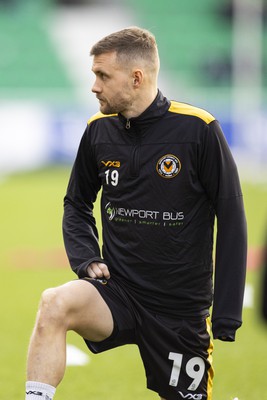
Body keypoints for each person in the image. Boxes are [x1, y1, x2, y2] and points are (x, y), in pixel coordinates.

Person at [25, 27, 247, 400]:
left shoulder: (198, 129)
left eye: (102, 75)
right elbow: (76, 203)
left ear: (136, 77)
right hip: (118, 294)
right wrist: (86, 257)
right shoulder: (98, 130)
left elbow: (232, 218)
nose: (94, 86)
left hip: (178, 311)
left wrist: (226, 314)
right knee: (54, 302)